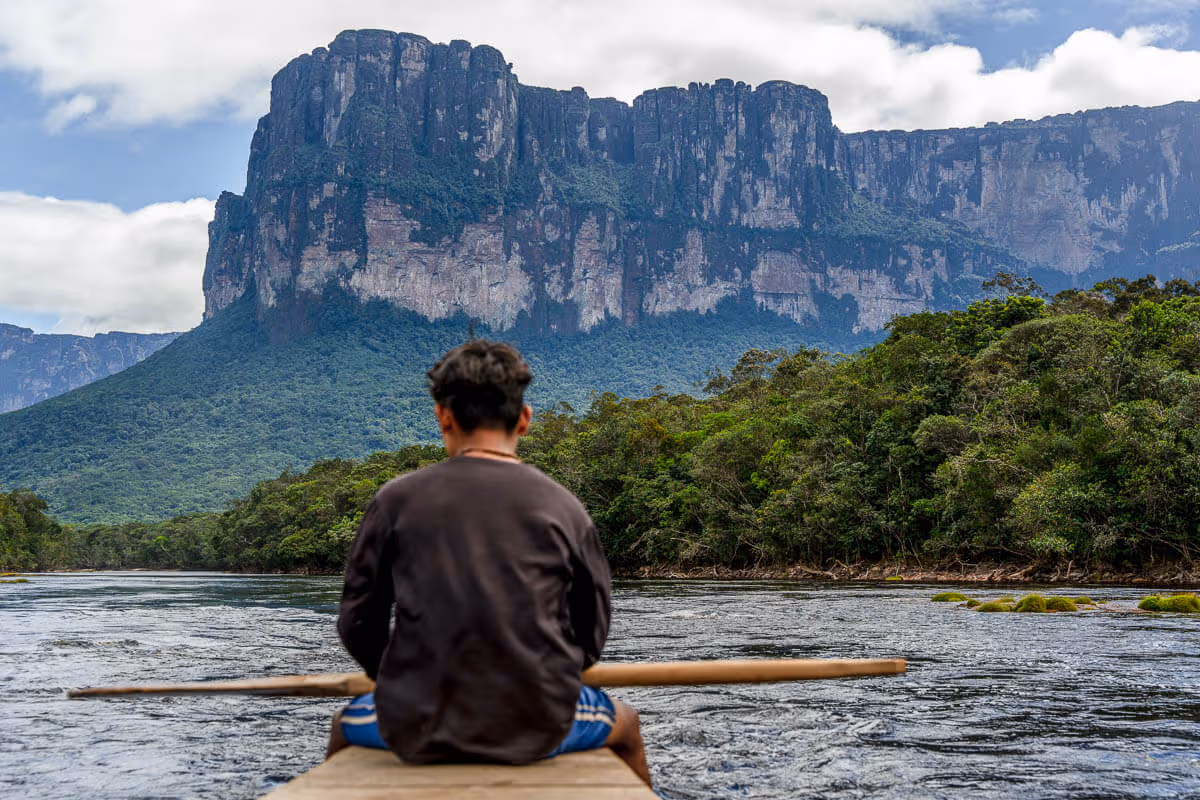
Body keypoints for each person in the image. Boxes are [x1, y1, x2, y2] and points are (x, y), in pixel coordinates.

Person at [325, 340, 651, 786]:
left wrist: (402, 680)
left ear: (442, 415)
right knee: (627, 723)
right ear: (524, 420)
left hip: (416, 724)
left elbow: (358, 622)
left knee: (344, 727)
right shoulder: (565, 508)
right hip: (539, 726)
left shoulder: (394, 500)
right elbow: (591, 634)